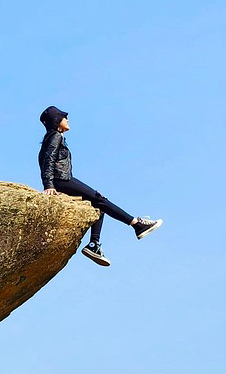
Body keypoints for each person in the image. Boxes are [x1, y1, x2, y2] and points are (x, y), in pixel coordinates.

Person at [38, 105, 161, 266]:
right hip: (62, 180)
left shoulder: (53, 137)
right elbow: (48, 160)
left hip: (61, 179)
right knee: (99, 198)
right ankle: (136, 224)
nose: (67, 119)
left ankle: (94, 245)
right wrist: (49, 185)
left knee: (97, 205)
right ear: (56, 120)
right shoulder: (55, 137)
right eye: (63, 117)